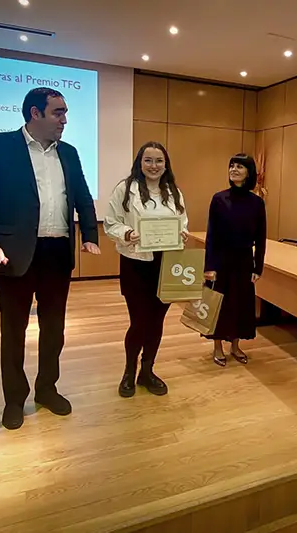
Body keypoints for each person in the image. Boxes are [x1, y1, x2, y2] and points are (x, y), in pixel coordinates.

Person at [0, 87, 100, 430]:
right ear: (34, 113)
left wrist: (89, 235)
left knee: (54, 329)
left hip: (57, 252)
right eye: (58, 112)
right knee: (14, 331)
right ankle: (14, 399)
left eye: (66, 112)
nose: (65, 120)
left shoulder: (69, 153)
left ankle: (46, 389)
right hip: (15, 254)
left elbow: (83, 197)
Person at [103, 142, 189, 398]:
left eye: (159, 161)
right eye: (148, 160)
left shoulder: (174, 191)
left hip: (166, 264)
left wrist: (181, 233)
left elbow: (183, 221)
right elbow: (111, 223)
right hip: (136, 263)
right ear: (140, 163)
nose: (154, 166)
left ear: (166, 164)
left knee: (157, 322)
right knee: (139, 322)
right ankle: (129, 371)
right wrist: (127, 233)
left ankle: (147, 371)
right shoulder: (125, 189)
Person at [203, 153, 266, 366]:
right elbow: (211, 235)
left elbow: (261, 237)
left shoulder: (257, 203)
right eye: (231, 166)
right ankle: (218, 347)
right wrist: (209, 265)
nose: (234, 170)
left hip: (244, 261)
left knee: (241, 305)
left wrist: (259, 267)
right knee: (219, 305)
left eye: (239, 166)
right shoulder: (219, 199)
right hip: (221, 260)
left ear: (249, 172)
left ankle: (236, 346)